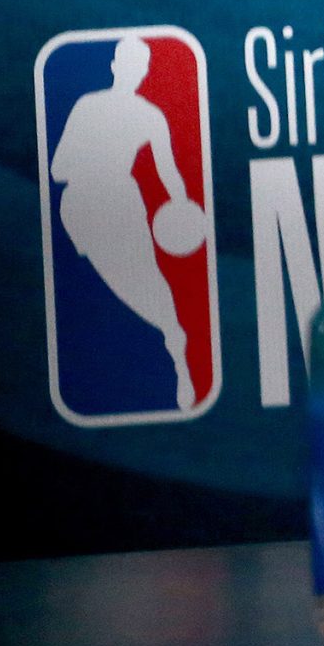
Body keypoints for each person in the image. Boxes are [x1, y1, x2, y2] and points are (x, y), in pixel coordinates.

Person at [52, 35, 197, 409]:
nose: (134, 71)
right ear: (115, 66)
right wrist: (94, 164)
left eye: (140, 66)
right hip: (79, 205)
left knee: (147, 280)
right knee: (95, 287)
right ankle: (125, 361)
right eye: (128, 63)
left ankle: (177, 355)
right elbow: (57, 168)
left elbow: (169, 171)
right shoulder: (87, 105)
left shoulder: (151, 116)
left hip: (122, 201)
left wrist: (180, 205)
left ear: (144, 72)